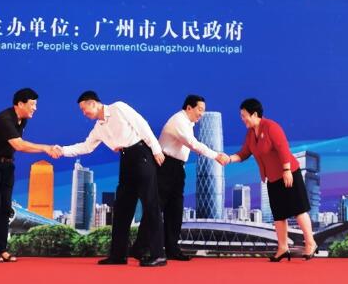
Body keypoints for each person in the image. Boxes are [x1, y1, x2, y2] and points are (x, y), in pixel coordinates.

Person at [58, 91, 167, 267]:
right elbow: (86, 147)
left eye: (84, 109)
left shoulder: (118, 107)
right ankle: (118, 255)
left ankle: (158, 255)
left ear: (93, 103)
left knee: (150, 204)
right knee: (122, 208)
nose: (84, 113)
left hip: (141, 155)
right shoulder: (99, 128)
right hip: (126, 160)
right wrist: (61, 150)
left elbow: (142, 125)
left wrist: (156, 149)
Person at [130, 94, 229, 261]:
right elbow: (192, 143)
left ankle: (172, 249)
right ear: (189, 108)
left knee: (175, 210)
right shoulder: (178, 121)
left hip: (177, 168)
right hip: (165, 167)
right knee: (156, 208)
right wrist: (216, 155)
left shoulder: (188, 123)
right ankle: (139, 248)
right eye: (200, 109)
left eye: (203, 110)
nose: (202, 114)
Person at [227, 98, 318, 261]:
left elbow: (283, 148)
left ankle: (310, 243)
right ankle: (283, 248)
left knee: (298, 209)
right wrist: (228, 159)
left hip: (288, 173)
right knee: (279, 214)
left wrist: (287, 170)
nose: (242, 119)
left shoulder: (271, 127)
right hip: (272, 178)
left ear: (254, 114)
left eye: (243, 115)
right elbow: (244, 153)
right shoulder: (250, 134)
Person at [0, 88, 61, 263]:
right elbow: (19, 145)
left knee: (6, 207)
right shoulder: (5, 119)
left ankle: (1, 249)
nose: (35, 108)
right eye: (32, 104)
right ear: (20, 104)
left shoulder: (23, 120)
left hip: (7, 165)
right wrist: (46, 148)